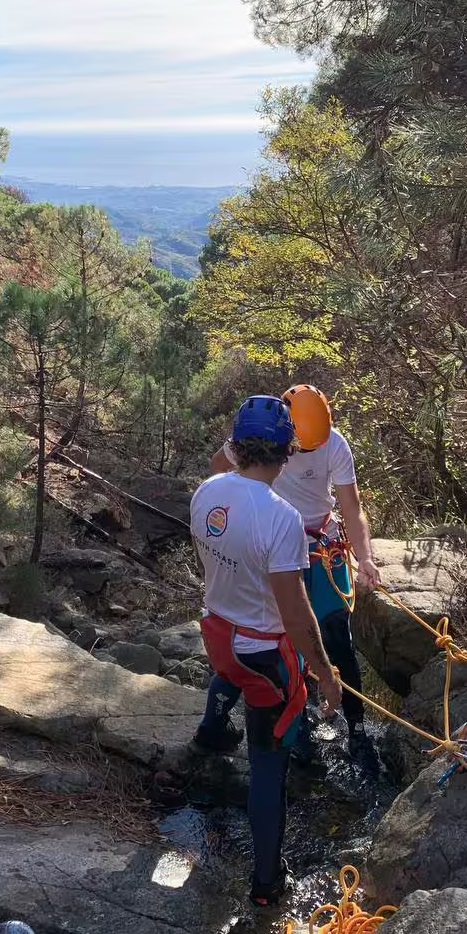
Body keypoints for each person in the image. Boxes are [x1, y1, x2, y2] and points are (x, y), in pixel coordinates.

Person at [191, 394, 342, 907]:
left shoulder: (206, 493)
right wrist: (324, 672)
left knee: (230, 674)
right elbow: (296, 616)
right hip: (263, 657)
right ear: (285, 454)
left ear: (237, 445)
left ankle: (209, 735)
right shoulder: (280, 519)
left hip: (220, 636)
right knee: (267, 768)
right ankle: (266, 883)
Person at [209, 384, 381, 772]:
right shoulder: (262, 436)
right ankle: (299, 723)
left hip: (323, 544)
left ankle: (357, 730)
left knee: (337, 634)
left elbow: (352, 509)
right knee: (288, 637)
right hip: (278, 544)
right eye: (300, 447)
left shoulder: (333, 444)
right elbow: (219, 469)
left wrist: (366, 557)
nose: (303, 454)